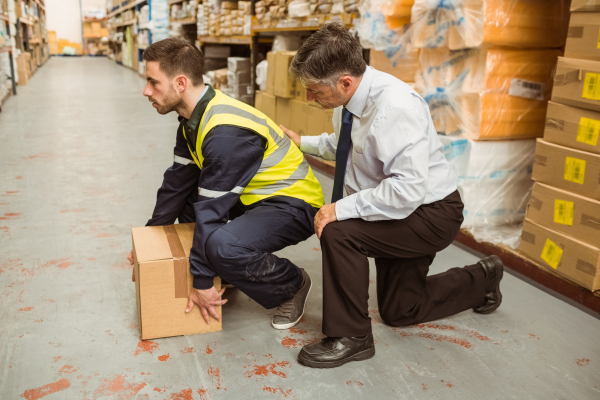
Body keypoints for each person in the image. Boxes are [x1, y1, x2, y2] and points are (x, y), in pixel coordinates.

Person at [279, 23, 505, 369]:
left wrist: (340, 208)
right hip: (397, 208)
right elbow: (342, 145)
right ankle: (483, 278)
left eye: (314, 91)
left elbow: (407, 190)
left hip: (428, 214)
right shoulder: (349, 101)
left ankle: (351, 336)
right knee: (401, 311)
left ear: (344, 82)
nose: (310, 98)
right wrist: (302, 142)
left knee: (338, 231)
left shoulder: (395, 108)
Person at [127, 38, 324, 330]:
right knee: (187, 202)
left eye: (153, 82)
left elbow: (211, 212)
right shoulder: (193, 119)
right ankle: (229, 270)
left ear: (180, 83)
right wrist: (150, 239)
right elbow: (176, 185)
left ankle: (292, 284)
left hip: (293, 204)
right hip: (252, 199)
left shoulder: (225, 134)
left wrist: (202, 281)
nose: (146, 91)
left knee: (222, 245)